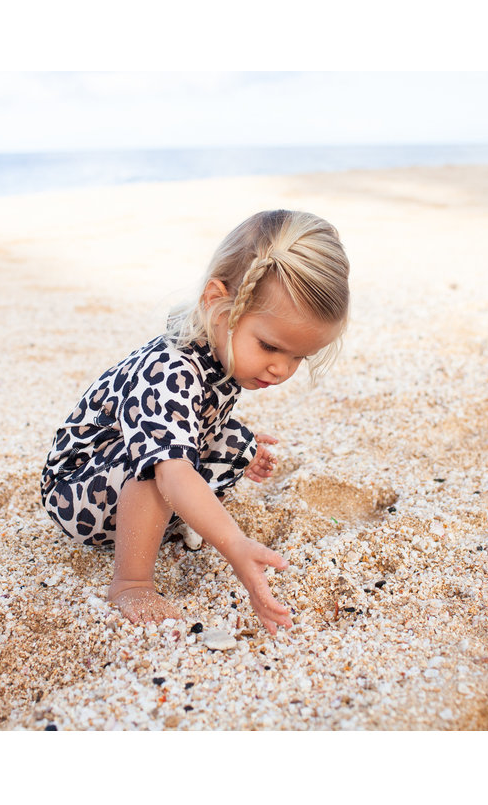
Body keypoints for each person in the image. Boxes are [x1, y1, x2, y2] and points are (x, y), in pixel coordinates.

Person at [41, 209, 349, 634]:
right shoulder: (172, 367)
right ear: (217, 303)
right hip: (77, 490)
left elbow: (196, 420)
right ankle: (131, 581)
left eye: (299, 357)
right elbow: (168, 463)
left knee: (237, 442)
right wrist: (236, 545)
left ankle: (171, 520)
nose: (281, 369)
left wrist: (237, 446)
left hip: (118, 473)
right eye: (270, 346)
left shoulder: (220, 348)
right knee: (160, 465)